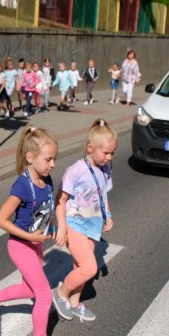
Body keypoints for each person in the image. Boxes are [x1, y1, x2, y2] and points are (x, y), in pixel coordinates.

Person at [0, 126, 66, 336]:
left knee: (29, 289)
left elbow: (47, 209)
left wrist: (56, 229)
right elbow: (1, 219)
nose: (53, 164)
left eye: (54, 159)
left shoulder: (46, 180)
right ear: (30, 157)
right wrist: (29, 235)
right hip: (20, 246)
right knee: (45, 295)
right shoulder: (22, 186)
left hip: (35, 245)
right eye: (48, 159)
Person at [52, 119, 117, 323]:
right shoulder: (75, 170)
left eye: (112, 153)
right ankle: (61, 293)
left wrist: (108, 215)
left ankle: (74, 302)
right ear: (90, 148)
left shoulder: (105, 169)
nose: (109, 157)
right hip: (73, 224)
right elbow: (60, 201)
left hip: (92, 225)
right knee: (89, 268)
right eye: (105, 153)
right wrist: (62, 227)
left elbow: (102, 194)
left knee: (79, 266)